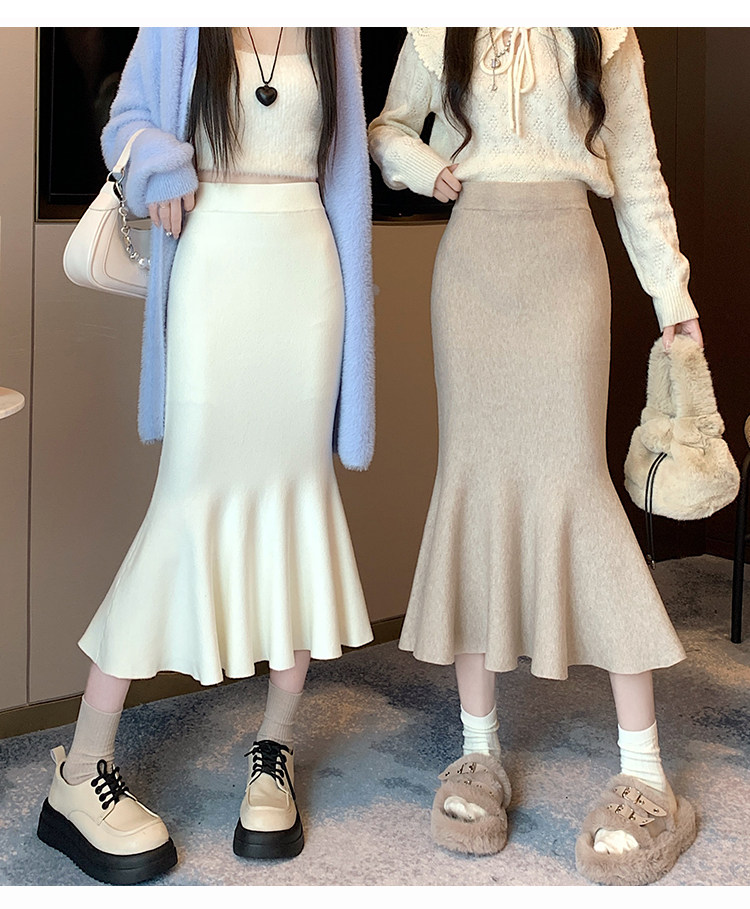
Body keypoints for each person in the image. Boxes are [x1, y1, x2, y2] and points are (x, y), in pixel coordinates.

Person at [37, 26, 375, 885]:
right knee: (183, 508)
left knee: (298, 505)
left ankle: (274, 750)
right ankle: (80, 771)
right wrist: (159, 166)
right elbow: (125, 122)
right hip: (213, 266)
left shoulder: (335, 24)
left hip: (308, 275)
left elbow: (344, 176)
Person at [368, 27, 700, 885]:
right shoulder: (438, 24)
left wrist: (673, 297)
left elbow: (639, 168)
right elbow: (387, 127)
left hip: (566, 261)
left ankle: (647, 773)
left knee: (578, 488)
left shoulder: (606, 26)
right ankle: (478, 751)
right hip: (472, 266)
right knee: (471, 489)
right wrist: (419, 164)